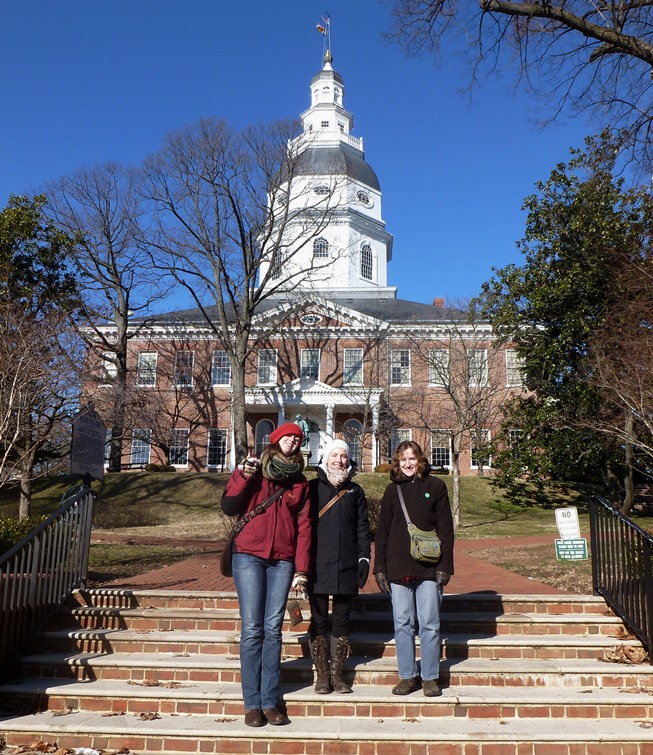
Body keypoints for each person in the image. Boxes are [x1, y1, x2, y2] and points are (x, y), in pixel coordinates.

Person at [220, 422, 311, 728]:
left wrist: (301, 570)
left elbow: (304, 529)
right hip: (249, 556)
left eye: (297, 439)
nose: (293, 442)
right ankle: (252, 703)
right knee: (252, 629)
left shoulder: (300, 483)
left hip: (282, 560)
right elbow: (229, 506)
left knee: (273, 630)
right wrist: (242, 476)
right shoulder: (255, 470)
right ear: (275, 440)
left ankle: (270, 701)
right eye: (288, 437)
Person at [373, 440, 454, 698]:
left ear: (420, 460)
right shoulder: (391, 491)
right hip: (398, 568)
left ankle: (430, 677)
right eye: (403, 460)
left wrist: (445, 567)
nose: (408, 464)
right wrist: (380, 568)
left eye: (412, 458)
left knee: (429, 623)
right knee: (402, 623)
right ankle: (407, 675)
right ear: (397, 463)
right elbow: (382, 532)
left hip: (429, 567)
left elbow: (446, 530)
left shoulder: (436, 487)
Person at [308, 438, 371, 694]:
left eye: (343, 456)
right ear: (325, 458)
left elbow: (362, 528)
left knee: (342, 621)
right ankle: (322, 674)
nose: (339, 460)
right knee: (320, 620)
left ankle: (338, 674)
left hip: (346, 565)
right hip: (318, 564)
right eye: (335, 455)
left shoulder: (356, 491)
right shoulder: (312, 488)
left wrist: (364, 558)